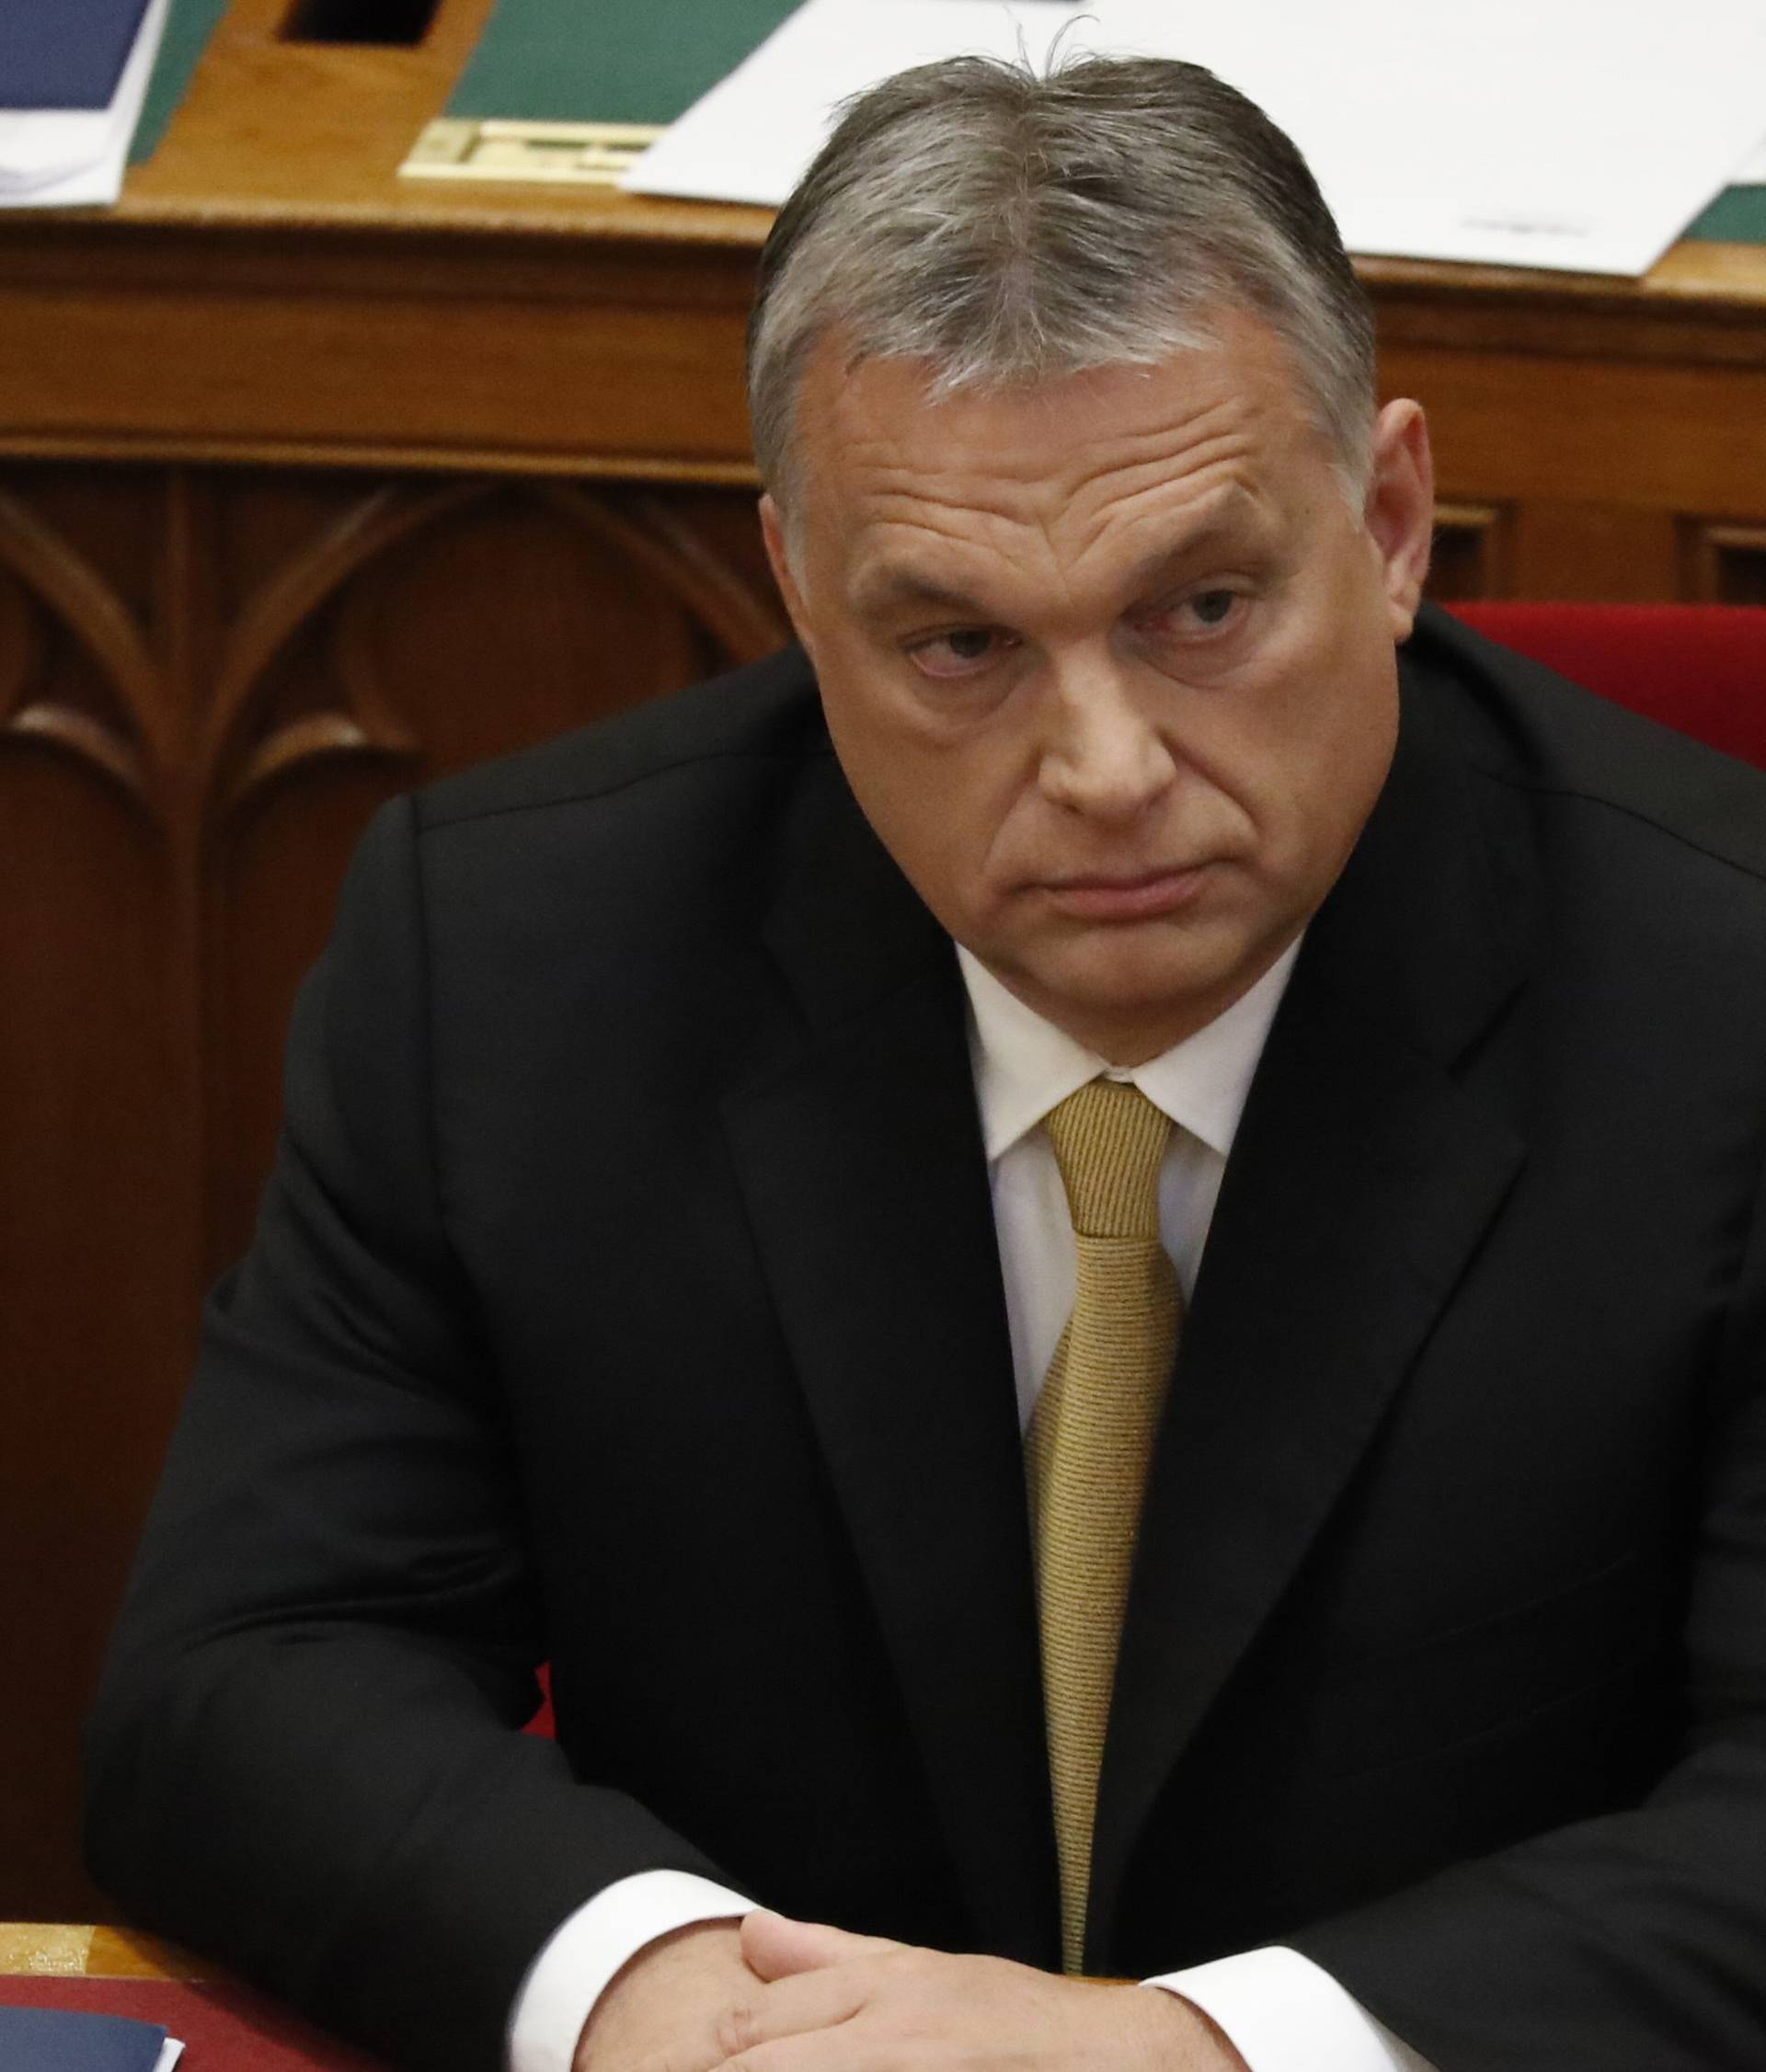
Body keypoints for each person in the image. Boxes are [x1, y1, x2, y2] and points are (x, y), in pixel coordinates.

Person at [85, 52, 1766, 2072]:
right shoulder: (518, 956)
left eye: (1203, 607)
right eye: (961, 644)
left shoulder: (1723, 998)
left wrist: (1192, 2052)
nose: (1108, 769)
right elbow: (248, 1672)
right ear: (802, 591)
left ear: (1391, 526)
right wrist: (657, 1994)